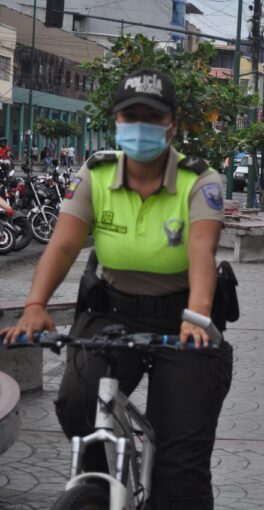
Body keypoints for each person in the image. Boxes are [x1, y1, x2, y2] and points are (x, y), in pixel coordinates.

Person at [1, 68, 234, 510]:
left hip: (183, 318)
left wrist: (198, 317)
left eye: (152, 115)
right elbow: (65, 243)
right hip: (111, 313)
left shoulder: (200, 180)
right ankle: (100, 487)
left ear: (172, 125)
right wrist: (36, 305)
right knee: (78, 407)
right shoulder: (97, 172)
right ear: (116, 121)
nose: (140, 125)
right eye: (131, 116)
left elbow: (202, 252)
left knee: (181, 469)